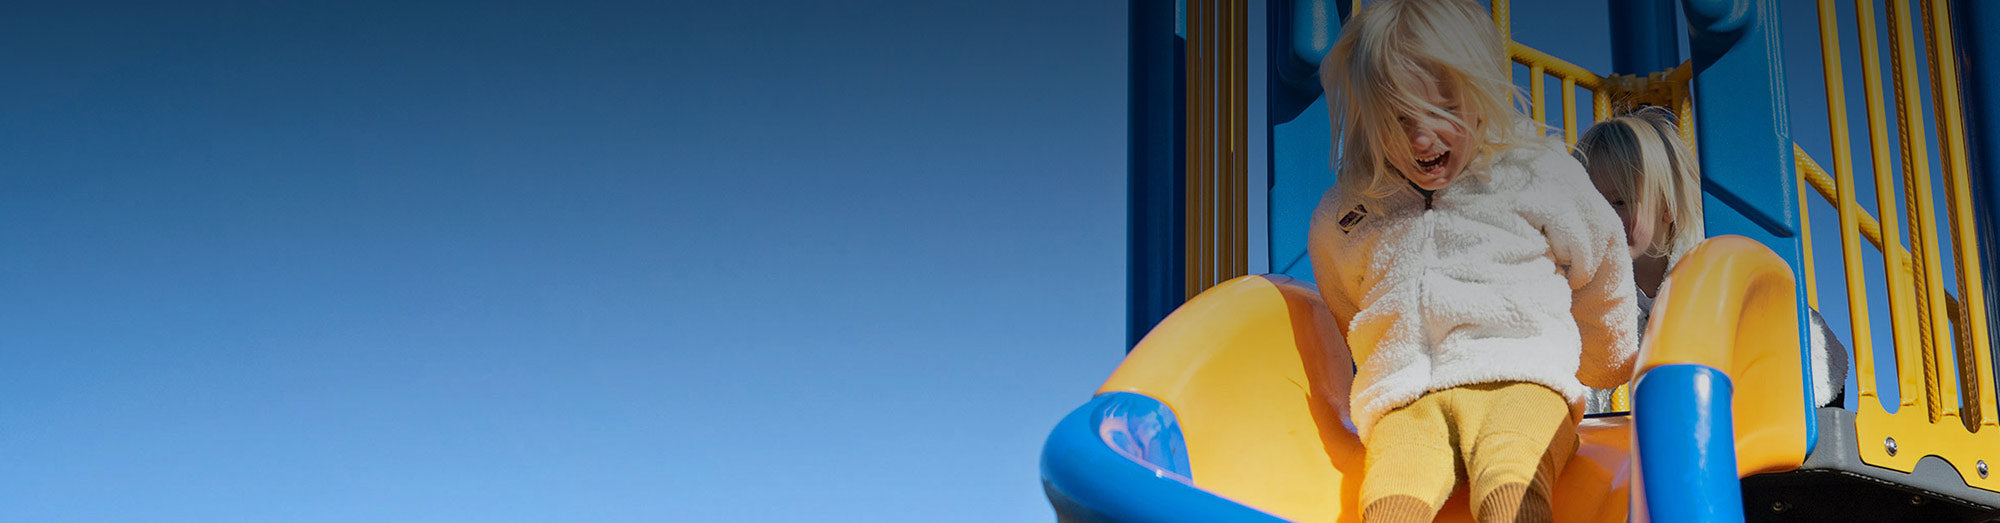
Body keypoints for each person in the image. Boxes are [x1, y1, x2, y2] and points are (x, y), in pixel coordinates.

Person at [1305, 1, 1639, 521]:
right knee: (1388, 503)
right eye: (1398, 118)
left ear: (1480, 97)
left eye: (1443, 112)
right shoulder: (1351, 211)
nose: (1422, 138)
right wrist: (1381, 356)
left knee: (1512, 481)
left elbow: (1601, 262)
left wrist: (1606, 360)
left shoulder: (1535, 174)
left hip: (1522, 378)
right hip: (1405, 399)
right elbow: (1346, 302)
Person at [1574, 107, 1849, 411]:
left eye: (1620, 202)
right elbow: (1590, 367)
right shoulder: (1599, 291)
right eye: (1591, 205)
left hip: (1808, 390)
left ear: (1669, 206)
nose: (1604, 218)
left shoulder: (1708, 266)